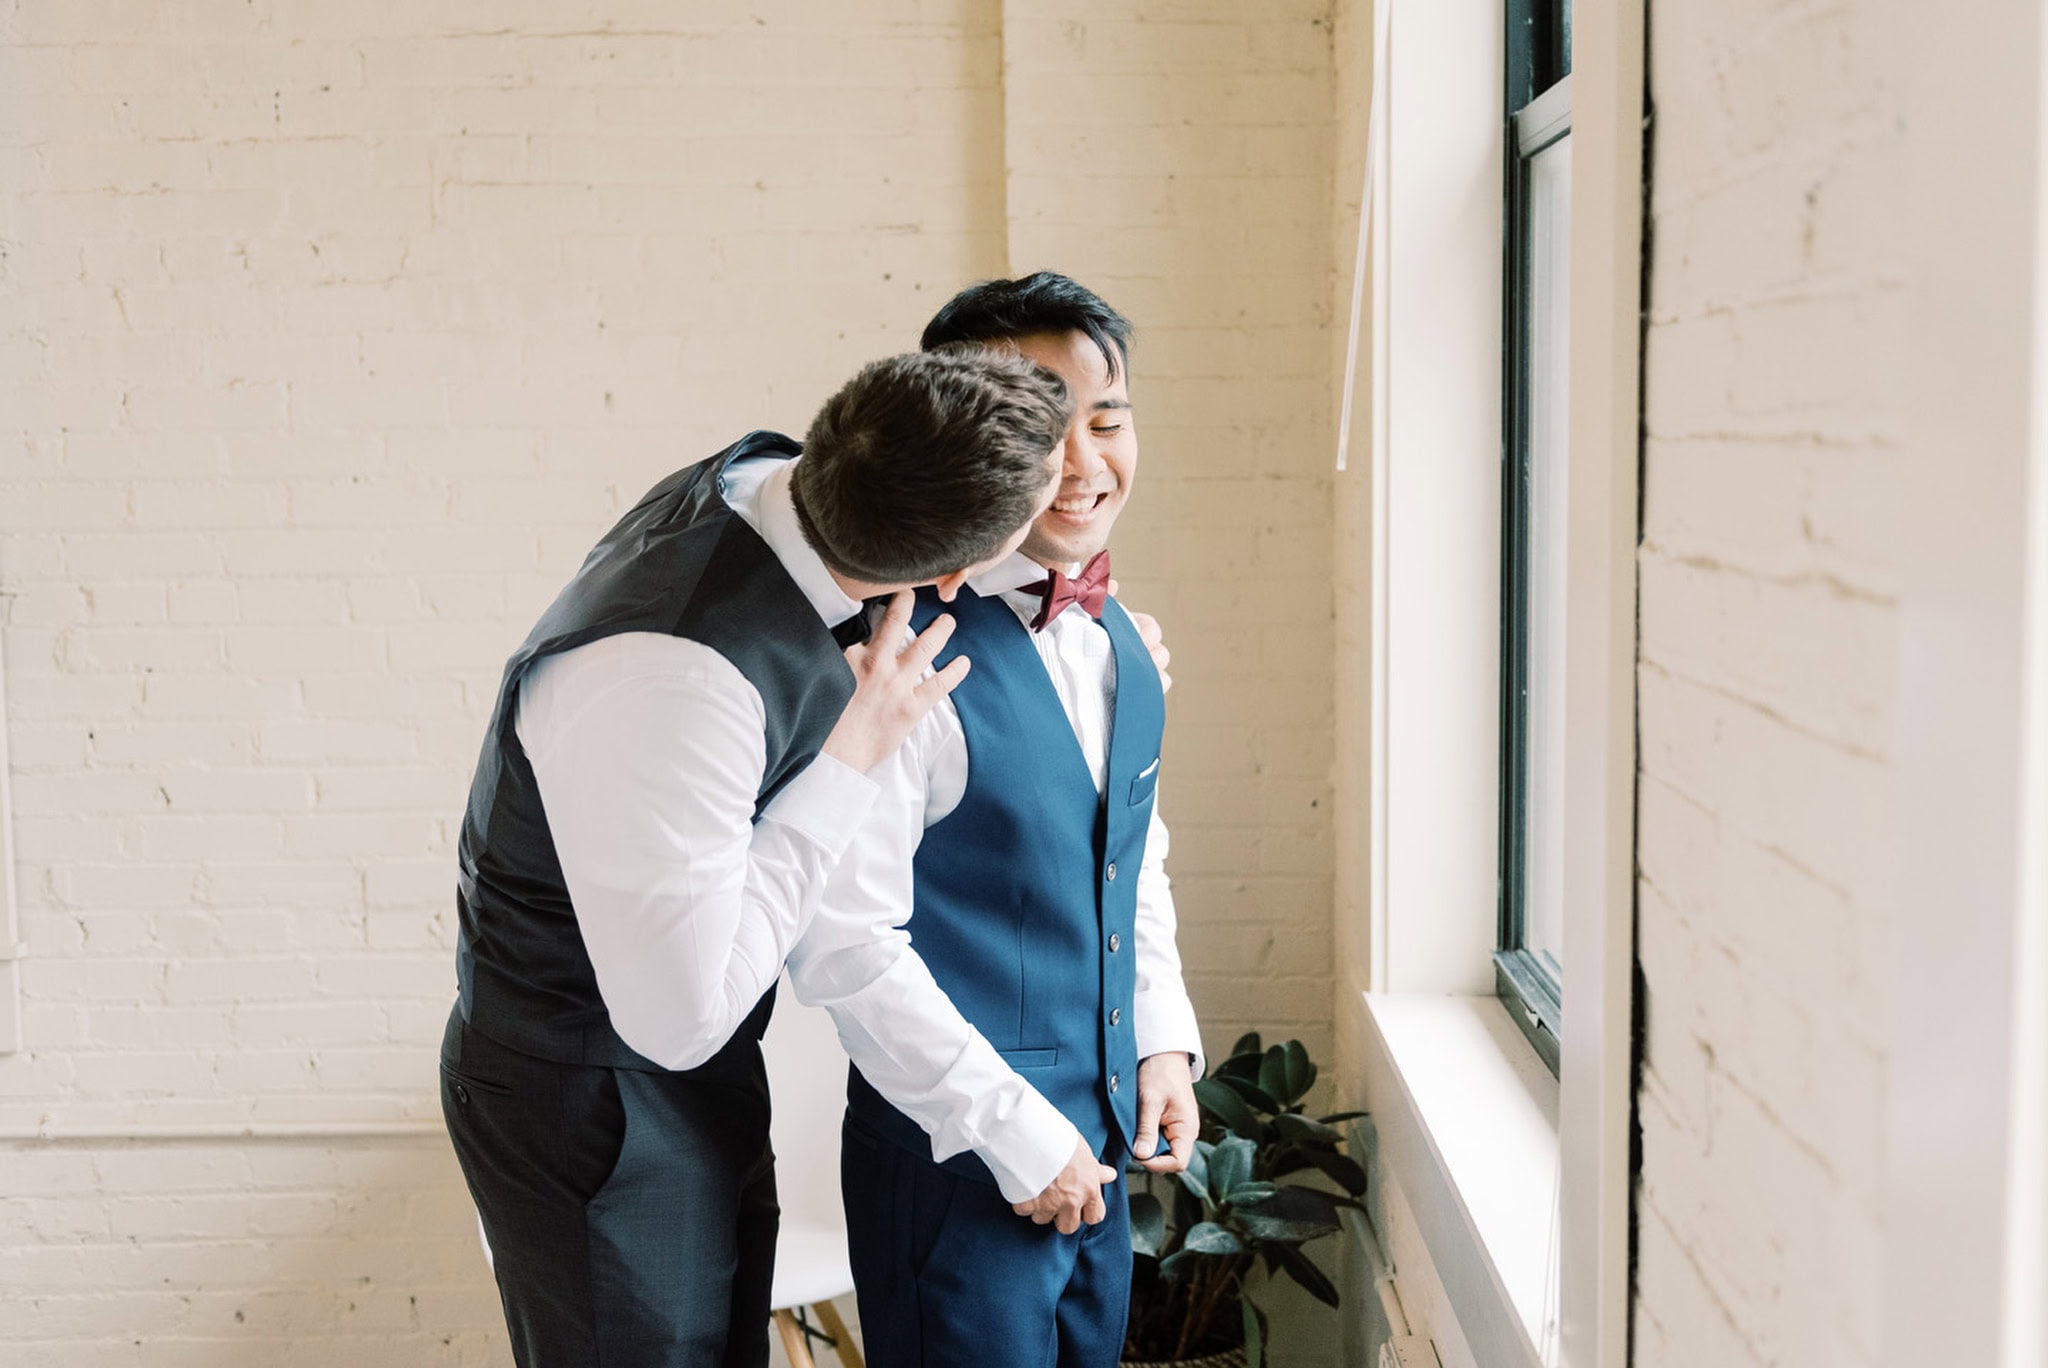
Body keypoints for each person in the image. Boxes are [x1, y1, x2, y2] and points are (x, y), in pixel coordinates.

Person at [439, 347, 1071, 1368]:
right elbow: (679, 1022)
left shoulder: (775, 484)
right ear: (945, 572)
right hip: (596, 1101)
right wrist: (851, 757)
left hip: (677, 1063)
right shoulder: (676, 681)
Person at [788, 273, 1204, 1367]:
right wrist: (1016, 1139)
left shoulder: (1121, 641)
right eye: (1041, 431)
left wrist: (1159, 1037)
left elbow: (1130, 857)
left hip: (1103, 1157)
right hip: (957, 1168)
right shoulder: (900, 656)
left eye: (1106, 422)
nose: (1082, 463)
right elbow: (842, 944)